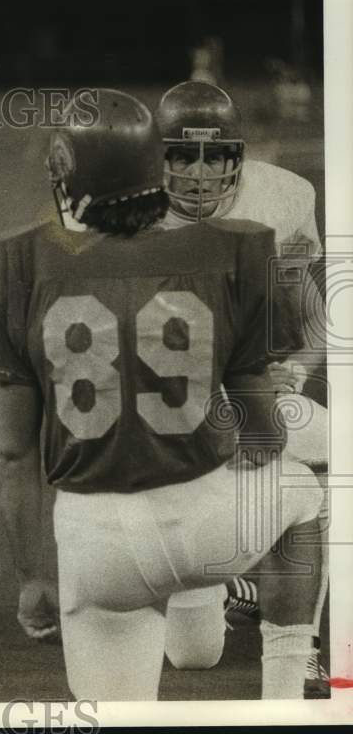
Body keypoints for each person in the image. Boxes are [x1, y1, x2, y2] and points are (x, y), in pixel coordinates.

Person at [0, 89, 324, 699]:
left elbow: (13, 455)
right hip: (208, 513)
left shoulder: (13, 261)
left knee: (130, 705)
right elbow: (263, 427)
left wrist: (33, 579)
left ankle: (207, 599)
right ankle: (285, 696)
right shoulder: (234, 247)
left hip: (92, 543)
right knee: (304, 496)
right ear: (154, 168)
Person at [155, 80, 330, 696]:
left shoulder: (281, 198)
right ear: (159, 158)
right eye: (182, 155)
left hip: (254, 391)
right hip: (170, 409)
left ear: (239, 156)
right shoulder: (124, 211)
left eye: (215, 155)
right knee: (194, 658)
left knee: (328, 454)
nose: (200, 172)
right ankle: (228, 578)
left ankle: (301, 636)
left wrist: (300, 367)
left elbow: (311, 309)